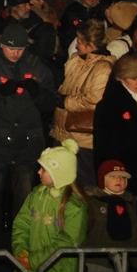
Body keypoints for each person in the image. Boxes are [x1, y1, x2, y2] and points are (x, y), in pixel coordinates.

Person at [0, 23, 59, 249]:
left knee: (25, 199)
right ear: (1, 46)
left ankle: (22, 246)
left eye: (20, 48)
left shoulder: (37, 67)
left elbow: (51, 103)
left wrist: (38, 93)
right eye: (11, 48)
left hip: (27, 144)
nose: (15, 53)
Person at [11, 139, 87, 272]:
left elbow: (68, 241)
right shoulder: (35, 194)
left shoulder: (75, 206)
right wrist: (21, 252)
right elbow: (21, 223)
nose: (38, 171)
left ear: (58, 172)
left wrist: (33, 261)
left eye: (44, 169)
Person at [51, 19, 116, 187]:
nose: (77, 44)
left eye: (80, 41)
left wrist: (65, 101)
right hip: (64, 132)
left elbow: (94, 101)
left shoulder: (103, 68)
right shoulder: (77, 60)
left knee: (83, 186)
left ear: (90, 45)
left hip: (83, 139)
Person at [82, 160, 137, 272]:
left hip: (121, 264)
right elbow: (83, 231)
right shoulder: (92, 203)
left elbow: (136, 234)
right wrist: (82, 263)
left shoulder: (130, 205)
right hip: (96, 264)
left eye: (123, 177)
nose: (119, 180)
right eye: (113, 176)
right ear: (102, 179)